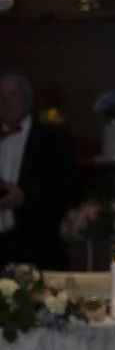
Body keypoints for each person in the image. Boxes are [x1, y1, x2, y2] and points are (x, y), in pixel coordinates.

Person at [0, 71, 78, 270]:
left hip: (38, 246)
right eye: (1, 97)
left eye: (13, 95)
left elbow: (68, 188)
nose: (6, 103)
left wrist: (24, 196)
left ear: (28, 99)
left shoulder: (54, 137)